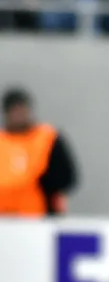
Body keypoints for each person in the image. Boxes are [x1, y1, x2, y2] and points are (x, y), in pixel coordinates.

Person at [0, 88, 78, 216]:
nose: (19, 115)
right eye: (14, 111)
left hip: (41, 216)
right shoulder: (2, 141)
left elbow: (66, 178)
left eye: (22, 110)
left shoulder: (48, 139)